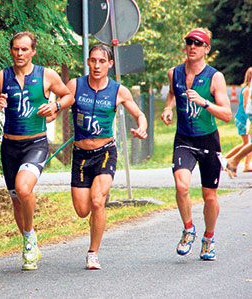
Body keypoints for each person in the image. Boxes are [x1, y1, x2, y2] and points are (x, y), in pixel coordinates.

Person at [0, 31, 74, 270]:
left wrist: (55, 105)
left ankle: (30, 236)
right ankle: (29, 243)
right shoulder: (1, 77)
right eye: (16, 49)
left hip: (35, 144)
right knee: (17, 201)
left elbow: (68, 95)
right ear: (11, 50)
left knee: (23, 188)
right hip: (9, 146)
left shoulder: (46, 75)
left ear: (33, 51)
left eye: (24, 49)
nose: (20, 54)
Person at [66, 44, 147, 269]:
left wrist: (142, 127)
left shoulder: (118, 90)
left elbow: (139, 114)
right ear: (88, 62)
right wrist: (49, 113)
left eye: (102, 61)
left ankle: (93, 252)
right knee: (83, 211)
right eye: (93, 60)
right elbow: (58, 106)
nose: (97, 65)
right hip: (81, 154)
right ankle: (99, 203)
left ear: (110, 64)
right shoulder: (75, 85)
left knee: (96, 201)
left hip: (105, 152)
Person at [160, 28, 231, 261]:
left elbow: (227, 115)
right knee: (181, 186)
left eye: (198, 43)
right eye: (189, 42)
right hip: (184, 138)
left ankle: (209, 238)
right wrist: (168, 108)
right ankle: (188, 229)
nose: (192, 46)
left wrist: (204, 102)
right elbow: (172, 94)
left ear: (206, 49)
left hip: (208, 139)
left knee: (209, 196)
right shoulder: (175, 73)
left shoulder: (215, 77)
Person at [224, 67, 252, 177]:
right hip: (244, 118)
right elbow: (246, 106)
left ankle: (232, 160)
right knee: (247, 143)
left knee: (247, 143)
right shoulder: (246, 90)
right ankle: (231, 160)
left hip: (246, 117)